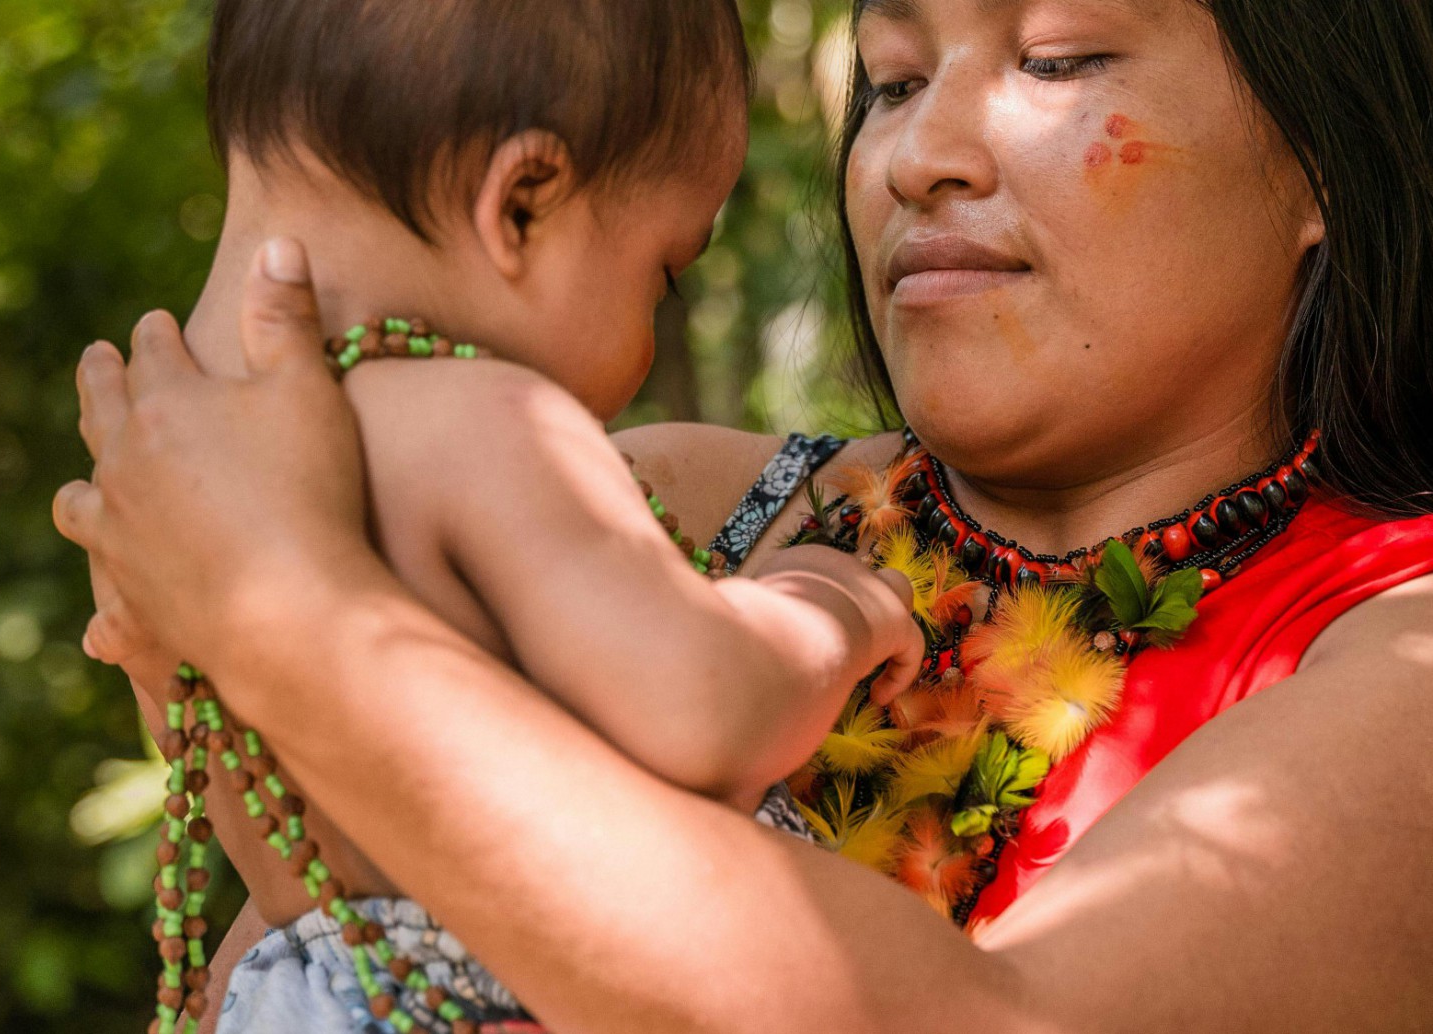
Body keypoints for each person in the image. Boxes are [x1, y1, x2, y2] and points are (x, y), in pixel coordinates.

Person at [59, 0, 1433, 1029]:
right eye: (888, 80)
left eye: (1062, 58)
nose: (921, 156)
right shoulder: (644, 494)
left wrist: (283, 615)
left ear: (1328, 155)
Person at [92, 1, 926, 1031]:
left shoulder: (159, 493)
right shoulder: (483, 421)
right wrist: (825, 598)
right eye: (661, 273)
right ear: (521, 204)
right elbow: (699, 709)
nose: (651, 345)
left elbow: (248, 811)